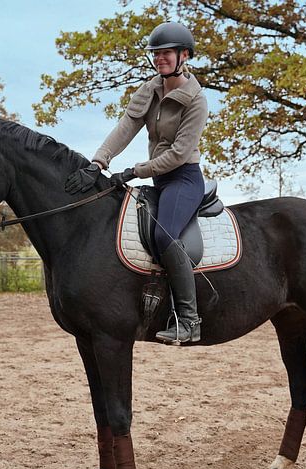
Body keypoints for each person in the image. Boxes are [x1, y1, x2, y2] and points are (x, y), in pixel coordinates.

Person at [65, 21, 207, 344]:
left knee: (164, 234)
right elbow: (126, 126)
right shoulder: (150, 88)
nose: (160, 59)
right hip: (158, 179)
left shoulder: (197, 101)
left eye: (166, 53)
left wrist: (135, 171)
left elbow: (179, 153)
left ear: (184, 55)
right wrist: (98, 162)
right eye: (156, 54)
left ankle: (189, 319)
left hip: (183, 178)